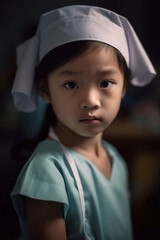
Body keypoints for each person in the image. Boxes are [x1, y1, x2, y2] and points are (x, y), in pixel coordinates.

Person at [10, 5, 156, 240]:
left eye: (106, 83)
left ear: (124, 88)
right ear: (45, 90)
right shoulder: (47, 171)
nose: (90, 100)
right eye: (71, 84)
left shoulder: (115, 159)